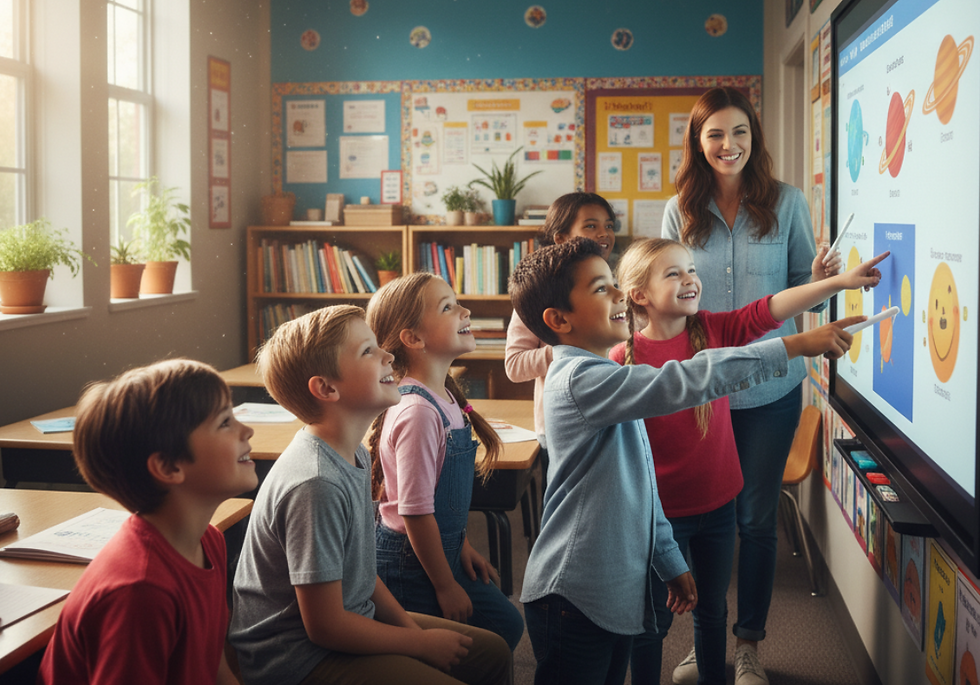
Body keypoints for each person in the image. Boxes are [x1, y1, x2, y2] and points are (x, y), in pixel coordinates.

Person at [508, 237, 862, 685]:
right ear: (558, 319)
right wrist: (793, 346)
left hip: (608, 591)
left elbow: (642, 487)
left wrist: (670, 560)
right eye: (601, 289)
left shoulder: (608, 376)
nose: (618, 295)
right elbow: (686, 380)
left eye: (615, 284)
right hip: (574, 594)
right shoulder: (579, 381)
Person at [610, 238, 886, 685]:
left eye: (692, 269)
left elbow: (770, 309)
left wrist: (838, 282)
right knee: (652, 623)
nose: (690, 280)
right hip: (659, 516)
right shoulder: (623, 360)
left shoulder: (713, 330)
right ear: (639, 294)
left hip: (719, 505)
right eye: (673, 273)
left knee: (713, 609)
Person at [662, 86, 841, 685]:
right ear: (698, 141)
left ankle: (749, 647)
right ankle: (705, 641)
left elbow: (802, 288)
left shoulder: (787, 203)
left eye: (738, 132)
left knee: (755, 521)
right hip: (702, 390)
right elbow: (668, 293)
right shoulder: (679, 208)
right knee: (700, 520)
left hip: (770, 387)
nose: (728, 144)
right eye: (714, 133)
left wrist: (818, 278)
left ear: (753, 138)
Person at [229, 305, 512, 685]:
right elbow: (326, 628)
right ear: (327, 388)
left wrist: (413, 634)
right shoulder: (316, 483)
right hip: (298, 659)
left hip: (348, 619)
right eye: (368, 351)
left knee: (492, 651)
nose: (388, 355)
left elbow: (362, 576)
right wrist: (419, 645)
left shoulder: (354, 454)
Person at [38, 359, 258, 685]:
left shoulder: (208, 541)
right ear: (168, 468)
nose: (247, 430)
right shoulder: (140, 591)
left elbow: (215, 670)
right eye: (225, 422)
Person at [366, 272, 525, 650]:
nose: (465, 310)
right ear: (414, 339)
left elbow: (440, 501)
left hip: (439, 550)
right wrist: (444, 585)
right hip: (409, 565)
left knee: (505, 626)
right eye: (448, 307)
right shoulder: (418, 412)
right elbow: (416, 513)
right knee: (483, 640)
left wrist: (463, 546)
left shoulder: (445, 400)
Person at [504, 191, 616, 492]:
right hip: (561, 425)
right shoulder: (539, 291)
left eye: (609, 225)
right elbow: (514, 366)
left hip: (614, 415)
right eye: (591, 226)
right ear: (561, 238)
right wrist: (571, 347)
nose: (604, 233)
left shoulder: (617, 284)